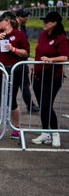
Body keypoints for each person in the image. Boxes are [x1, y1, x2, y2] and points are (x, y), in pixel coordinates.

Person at [0, 11, 29, 139]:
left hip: (13, 71)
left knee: (11, 99)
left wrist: (13, 49)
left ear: (8, 21)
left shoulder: (19, 35)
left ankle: (16, 128)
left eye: (0, 20)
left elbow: (26, 53)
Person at [31, 11, 69, 148]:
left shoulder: (61, 38)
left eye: (47, 21)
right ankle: (45, 132)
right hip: (38, 75)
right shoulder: (42, 35)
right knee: (42, 106)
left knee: (47, 105)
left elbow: (64, 57)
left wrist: (50, 59)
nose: (44, 23)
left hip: (53, 76)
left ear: (54, 23)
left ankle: (55, 133)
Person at [16, 9, 40, 113]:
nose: (26, 17)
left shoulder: (22, 27)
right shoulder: (16, 27)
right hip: (17, 60)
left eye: (27, 15)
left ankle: (30, 105)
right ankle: (30, 105)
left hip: (22, 60)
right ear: (18, 16)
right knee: (22, 85)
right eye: (24, 16)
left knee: (24, 85)